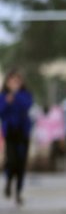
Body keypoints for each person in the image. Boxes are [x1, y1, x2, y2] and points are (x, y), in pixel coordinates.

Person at [0, 70, 33, 206]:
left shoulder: (25, 95)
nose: (14, 84)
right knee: (12, 160)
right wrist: (7, 101)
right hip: (10, 133)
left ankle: (18, 193)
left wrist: (15, 96)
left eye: (17, 81)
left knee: (21, 163)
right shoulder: (3, 96)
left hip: (23, 133)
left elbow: (27, 106)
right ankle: (8, 182)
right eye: (12, 81)